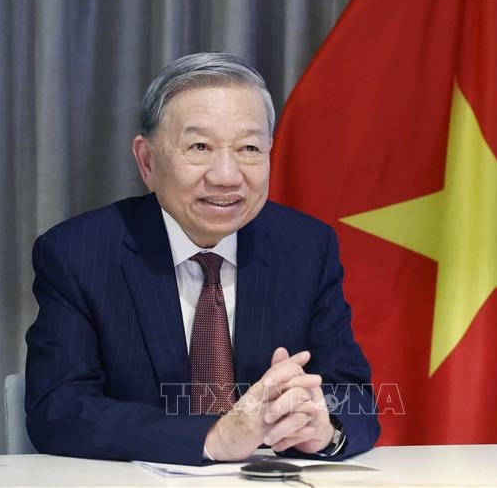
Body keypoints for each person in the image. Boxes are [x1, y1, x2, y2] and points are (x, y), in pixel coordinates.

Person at [25, 52, 380, 466]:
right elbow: (58, 407)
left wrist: (324, 428)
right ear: (147, 161)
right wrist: (213, 438)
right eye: (199, 147)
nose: (226, 176)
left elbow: (354, 397)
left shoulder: (307, 247)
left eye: (249, 148)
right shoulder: (78, 253)